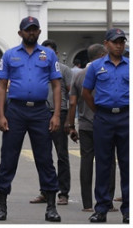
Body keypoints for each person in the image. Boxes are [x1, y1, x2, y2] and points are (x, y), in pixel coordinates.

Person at [0, 16, 62, 223]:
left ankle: (51, 206)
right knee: (8, 157)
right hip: (16, 111)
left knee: (45, 158)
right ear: (20, 33)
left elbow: (57, 85)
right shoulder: (10, 55)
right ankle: (1, 205)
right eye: (27, 30)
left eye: (34, 30)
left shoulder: (48, 55)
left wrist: (57, 115)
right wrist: (1, 115)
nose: (31, 33)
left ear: (39, 32)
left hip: (40, 112)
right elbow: (2, 86)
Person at [82, 28, 129, 223]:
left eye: (122, 42)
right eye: (115, 42)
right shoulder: (96, 67)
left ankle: (128, 211)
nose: (119, 45)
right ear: (106, 44)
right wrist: (99, 111)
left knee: (128, 165)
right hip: (104, 119)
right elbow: (86, 92)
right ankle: (101, 208)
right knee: (103, 164)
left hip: (127, 118)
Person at [66, 43, 115, 212]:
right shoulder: (106, 72)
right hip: (106, 124)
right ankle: (107, 202)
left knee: (86, 161)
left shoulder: (78, 76)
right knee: (107, 162)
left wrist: (71, 126)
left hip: (86, 125)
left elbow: (72, 102)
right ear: (102, 55)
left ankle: (87, 203)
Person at [30, 39, 72, 206]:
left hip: (59, 113)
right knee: (42, 155)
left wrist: (69, 120)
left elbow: (72, 94)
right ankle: (45, 191)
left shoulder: (64, 70)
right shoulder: (37, 69)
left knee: (61, 155)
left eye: (48, 52)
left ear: (54, 53)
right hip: (40, 114)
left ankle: (63, 193)